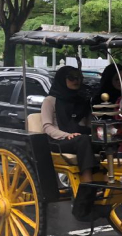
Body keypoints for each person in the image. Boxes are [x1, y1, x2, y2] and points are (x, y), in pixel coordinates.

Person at [41, 67, 97, 220]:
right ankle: (88, 181)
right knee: (83, 140)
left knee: (103, 140)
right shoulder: (50, 100)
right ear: (62, 79)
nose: (76, 81)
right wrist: (67, 135)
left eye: (79, 77)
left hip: (79, 137)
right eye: (71, 77)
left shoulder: (82, 100)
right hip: (58, 140)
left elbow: (88, 124)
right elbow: (47, 127)